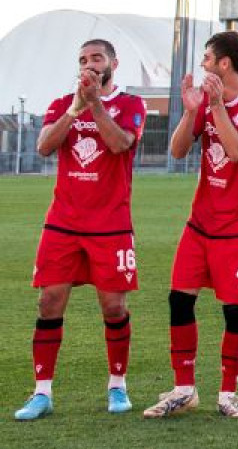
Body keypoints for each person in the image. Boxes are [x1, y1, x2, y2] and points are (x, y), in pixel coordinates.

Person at [145, 31, 238, 419]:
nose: (201, 64)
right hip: (201, 222)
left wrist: (217, 107)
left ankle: (228, 393)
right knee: (179, 300)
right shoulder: (204, 100)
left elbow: (237, 153)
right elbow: (179, 150)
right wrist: (189, 111)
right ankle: (184, 389)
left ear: (222, 64)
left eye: (206, 58)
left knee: (234, 310)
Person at [17, 39, 146, 421]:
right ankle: (42, 393)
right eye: (83, 59)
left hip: (111, 225)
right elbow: (43, 147)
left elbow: (120, 143)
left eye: (96, 58)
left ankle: (117, 384)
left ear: (113, 64)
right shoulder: (61, 104)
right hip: (63, 223)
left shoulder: (131, 105)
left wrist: (95, 106)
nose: (88, 64)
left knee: (113, 306)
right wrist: (75, 108)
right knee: (49, 302)